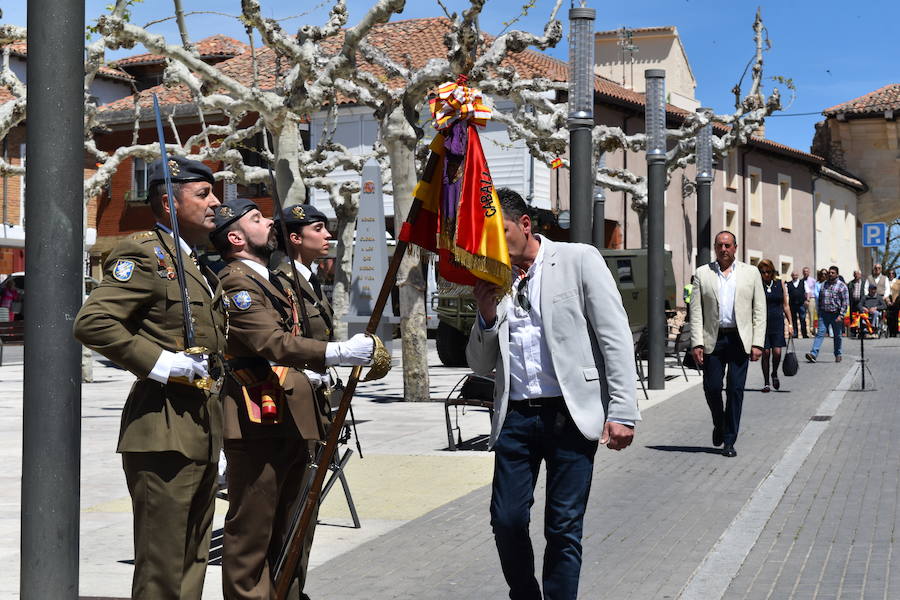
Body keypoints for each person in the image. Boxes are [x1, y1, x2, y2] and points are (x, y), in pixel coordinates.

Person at [466, 188, 639, 600]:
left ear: (525, 225)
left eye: (501, 231)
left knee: (562, 527)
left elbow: (614, 338)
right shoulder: (495, 278)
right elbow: (478, 364)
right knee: (505, 519)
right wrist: (486, 316)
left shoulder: (578, 259)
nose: (495, 243)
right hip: (516, 418)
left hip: (570, 415)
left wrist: (623, 411)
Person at [73, 156, 227, 599]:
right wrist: (163, 363)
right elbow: (93, 322)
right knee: (162, 566)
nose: (215, 203)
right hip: (162, 429)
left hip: (200, 426)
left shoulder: (194, 264)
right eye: (203, 194)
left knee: (193, 558)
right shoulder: (143, 254)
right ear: (168, 202)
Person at [212, 199, 375, 599]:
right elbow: (269, 341)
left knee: (292, 525)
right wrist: (336, 353)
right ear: (235, 237)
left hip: (288, 414)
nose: (269, 222)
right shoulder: (237, 281)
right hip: (257, 415)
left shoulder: (267, 279)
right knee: (253, 532)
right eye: (256, 218)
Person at [689, 231, 765, 458]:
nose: (724, 249)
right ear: (715, 248)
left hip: (739, 339)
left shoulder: (751, 273)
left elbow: (759, 310)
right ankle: (719, 423)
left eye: (728, 245)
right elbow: (696, 312)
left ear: (735, 247)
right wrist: (696, 343)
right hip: (713, 338)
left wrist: (758, 343)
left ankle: (729, 440)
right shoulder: (703, 273)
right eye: (719, 245)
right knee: (712, 387)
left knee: (735, 390)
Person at [758, 259, 792, 392]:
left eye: (768, 272)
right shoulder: (758, 284)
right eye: (762, 272)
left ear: (772, 271)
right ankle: (766, 382)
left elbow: (785, 305)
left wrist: (790, 324)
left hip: (777, 322)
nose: (765, 274)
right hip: (762, 323)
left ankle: (774, 373)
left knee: (777, 352)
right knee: (765, 353)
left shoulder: (780, 283)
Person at [805, 265, 849, 363]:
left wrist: (841, 315)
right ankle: (813, 354)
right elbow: (820, 299)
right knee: (820, 334)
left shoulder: (842, 286)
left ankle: (838, 354)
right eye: (829, 272)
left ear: (837, 274)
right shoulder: (823, 284)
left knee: (837, 336)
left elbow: (845, 302)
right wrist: (820, 312)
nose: (830, 274)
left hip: (836, 314)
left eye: (832, 273)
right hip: (824, 314)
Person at [786, 271, 808, 338]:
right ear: (791, 276)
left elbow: (807, 292)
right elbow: (786, 294)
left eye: (796, 275)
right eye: (793, 275)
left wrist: (807, 300)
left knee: (802, 319)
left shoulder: (803, 282)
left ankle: (804, 334)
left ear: (798, 275)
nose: (794, 276)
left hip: (801, 303)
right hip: (792, 304)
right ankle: (795, 334)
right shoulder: (788, 284)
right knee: (793, 319)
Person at [803, 266, 817, 335]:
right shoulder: (801, 281)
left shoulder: (813, 280)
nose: (805, 273)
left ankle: (812, 330)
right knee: (804, 316)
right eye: (804, 271)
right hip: (803, 299)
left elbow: (816, 290)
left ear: (809, 272)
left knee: (811, 315)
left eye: (807, 271)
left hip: (811, 299)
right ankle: (806, 331)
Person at [887, 270, 900, 338]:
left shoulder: (898, 281)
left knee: (895, 317)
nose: (891, 274)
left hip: (896, 301)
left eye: (892, 273)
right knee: (888, 317)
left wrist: (895, 300)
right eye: (890, 273)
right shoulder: (886, 281)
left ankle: (894, 332)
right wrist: (888, 300)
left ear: (894, 274)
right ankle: (890, 332)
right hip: (888, 300)